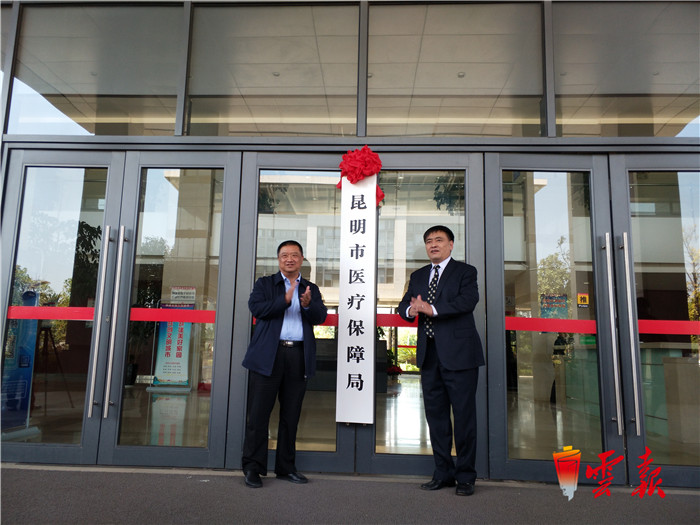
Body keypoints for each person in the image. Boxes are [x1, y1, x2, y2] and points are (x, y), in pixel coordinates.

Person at [398, 225, 484, 496]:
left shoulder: (465, 272)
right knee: (436, 418)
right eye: (428, 241)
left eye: (438, 240)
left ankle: (466, 476)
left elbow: (468, 301)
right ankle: (443, 472)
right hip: (430, 355)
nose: (433, 244)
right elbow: (403, 306)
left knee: (464, 418)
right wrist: (412, 309)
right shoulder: (418, 275)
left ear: (451, 244)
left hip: (460, 355)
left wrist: (431, 309)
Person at [241, 240, 327, 488]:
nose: (289, 259)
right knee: (258, 415)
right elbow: (257, 309)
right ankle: (253, 468)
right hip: (268, 356)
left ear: (301, 259)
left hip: (297, 356)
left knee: (291, 416)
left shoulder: (310, 288)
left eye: (294, 255)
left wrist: (308, 305)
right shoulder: (265, 284)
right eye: (284, 255)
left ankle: (286, 468)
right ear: (278, 259)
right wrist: (285, 300)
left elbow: (320, 317)